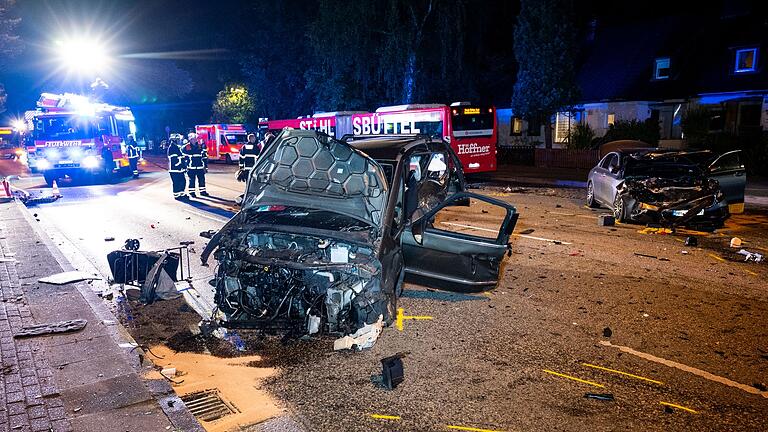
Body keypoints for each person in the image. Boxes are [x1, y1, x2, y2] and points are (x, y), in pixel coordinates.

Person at [183, 132, 209, 197]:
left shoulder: (200, 146)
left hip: (200, 167)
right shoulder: (187, 146)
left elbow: (204, 157)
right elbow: (184, 157)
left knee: (202, 179)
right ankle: (192, 192)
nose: (195, 140)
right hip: (191, 167)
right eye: (193, 139)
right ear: (190, 139)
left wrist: (205, 167)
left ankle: (202, 191)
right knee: (192, 180)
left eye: (195, 139)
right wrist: (185, 166)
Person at [167, 133, 188, 200]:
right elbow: (175, 160)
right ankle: (177, 195)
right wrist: (182, 163)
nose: (179, 140)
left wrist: (184, 165)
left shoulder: (177, 147)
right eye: (178, 139)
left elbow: (181, 157)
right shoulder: (172, 148)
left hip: (180, 169)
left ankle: (182, 194)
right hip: (174, 169)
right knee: (176, 182)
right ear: (174, 140)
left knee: (182, 181)